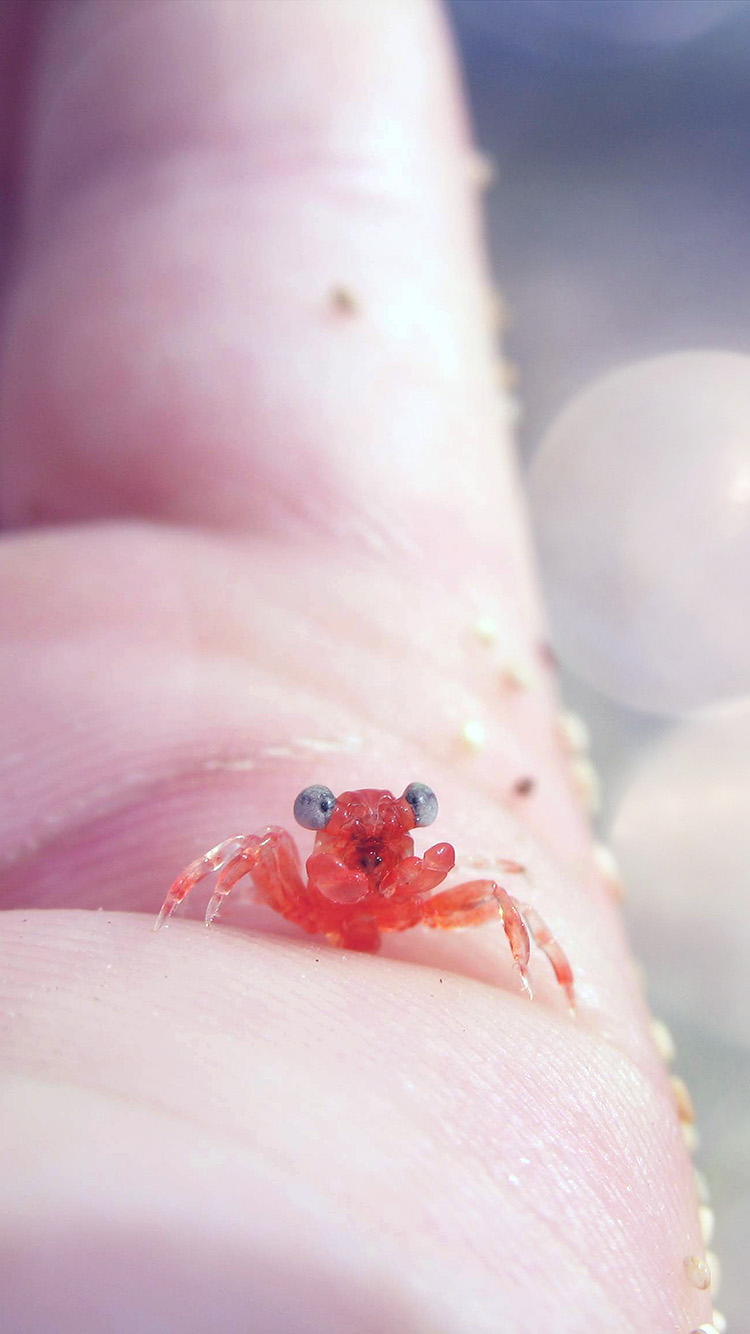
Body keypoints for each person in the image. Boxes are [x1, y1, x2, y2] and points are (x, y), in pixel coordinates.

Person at [0, 2, 713, 1330]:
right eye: (344, 823)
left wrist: (556, 1005)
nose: (375, 842)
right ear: (320, 831)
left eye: (391, 825)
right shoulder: (287, 859)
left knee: (503, 885)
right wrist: (180, 919)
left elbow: (504, 896)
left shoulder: (432, 874)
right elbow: (226, 862)